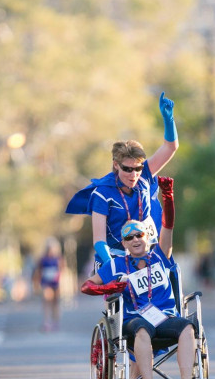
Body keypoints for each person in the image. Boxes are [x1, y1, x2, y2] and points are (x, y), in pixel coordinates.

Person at [81, 177, 207, 379]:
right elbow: (86, 286)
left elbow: (168, 225)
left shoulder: (160, 254)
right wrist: (107, 287)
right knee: (141, 330)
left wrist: (168, 198)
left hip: (164, 316)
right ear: (124, 243)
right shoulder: (117, 264)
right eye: (129, 237)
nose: (135, 239)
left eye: (139, 234)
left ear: (147, 236)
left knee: (188, 326)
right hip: (135, 318)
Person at [66, 92, 179, 268]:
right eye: (127, 169)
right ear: (116, 165)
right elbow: (99, 241)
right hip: (115, 256)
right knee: (114, 289)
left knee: (172, 273)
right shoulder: (102, 194)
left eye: (137, 169)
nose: (133, 174)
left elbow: (170, 147)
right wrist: (113, 267)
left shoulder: (144, 176)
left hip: (147, 250)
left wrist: (169, 119)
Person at [33, 237, 65, 332]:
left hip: (56, 283)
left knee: (56, 303)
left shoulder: (58, 258)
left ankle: (56, 322)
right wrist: (36, 284)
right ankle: (46, 322)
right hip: (46, 283)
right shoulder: (42, 259)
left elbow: (62, 269)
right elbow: (38, 271)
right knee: (47, 301)